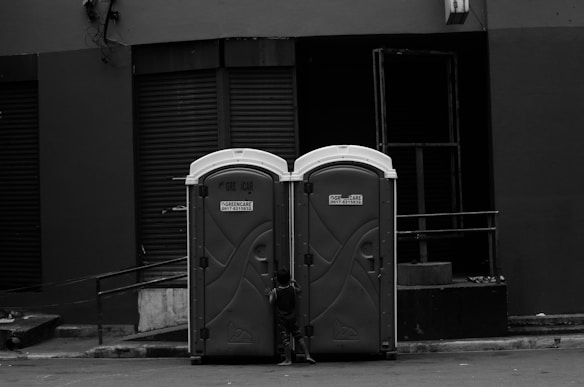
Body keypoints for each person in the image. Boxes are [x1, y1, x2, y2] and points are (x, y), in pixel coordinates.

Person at [265, 268, 316, 366]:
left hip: (282, 320)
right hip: (292, 318)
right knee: (299, 337)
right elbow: (300, 290)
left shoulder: (276, 291)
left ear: (277, 280)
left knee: (286, 340)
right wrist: (295, 283)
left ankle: (288, 360)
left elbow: (271, 302)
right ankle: (308, 355)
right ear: (289, 279)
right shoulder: (292, 289)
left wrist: (270, 294)